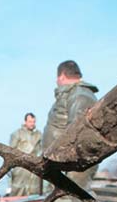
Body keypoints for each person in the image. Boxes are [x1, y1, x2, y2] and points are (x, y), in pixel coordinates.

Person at [42, 60, 99, 191]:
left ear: (61, 76)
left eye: (57, 78)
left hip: (72, 167)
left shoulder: (80, 95)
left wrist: (67, 163)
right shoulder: (70, 95)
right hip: (59, 165)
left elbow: (79, 133)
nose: (57, 81)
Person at [9, 112, 42, 196]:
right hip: (21, 168)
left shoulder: (39, 135)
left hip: (34, 168)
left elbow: (42, 149)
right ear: (25, 121)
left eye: (34, 121)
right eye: (30, 121)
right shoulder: (17, 134)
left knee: (34, 192)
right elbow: (11, 151)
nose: (32, 124)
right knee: (17, 191)